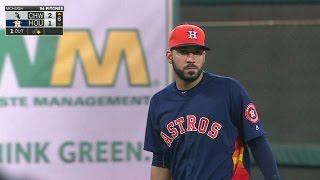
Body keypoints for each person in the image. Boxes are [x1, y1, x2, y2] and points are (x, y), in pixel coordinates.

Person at [143, 24, 281, 180]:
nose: (191, 59)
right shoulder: (160, 102)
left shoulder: (229, 90)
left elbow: (257, 142)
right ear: (169, 56)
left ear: (204, 56)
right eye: (183, 52)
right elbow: (161, 159)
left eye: (196, 52)